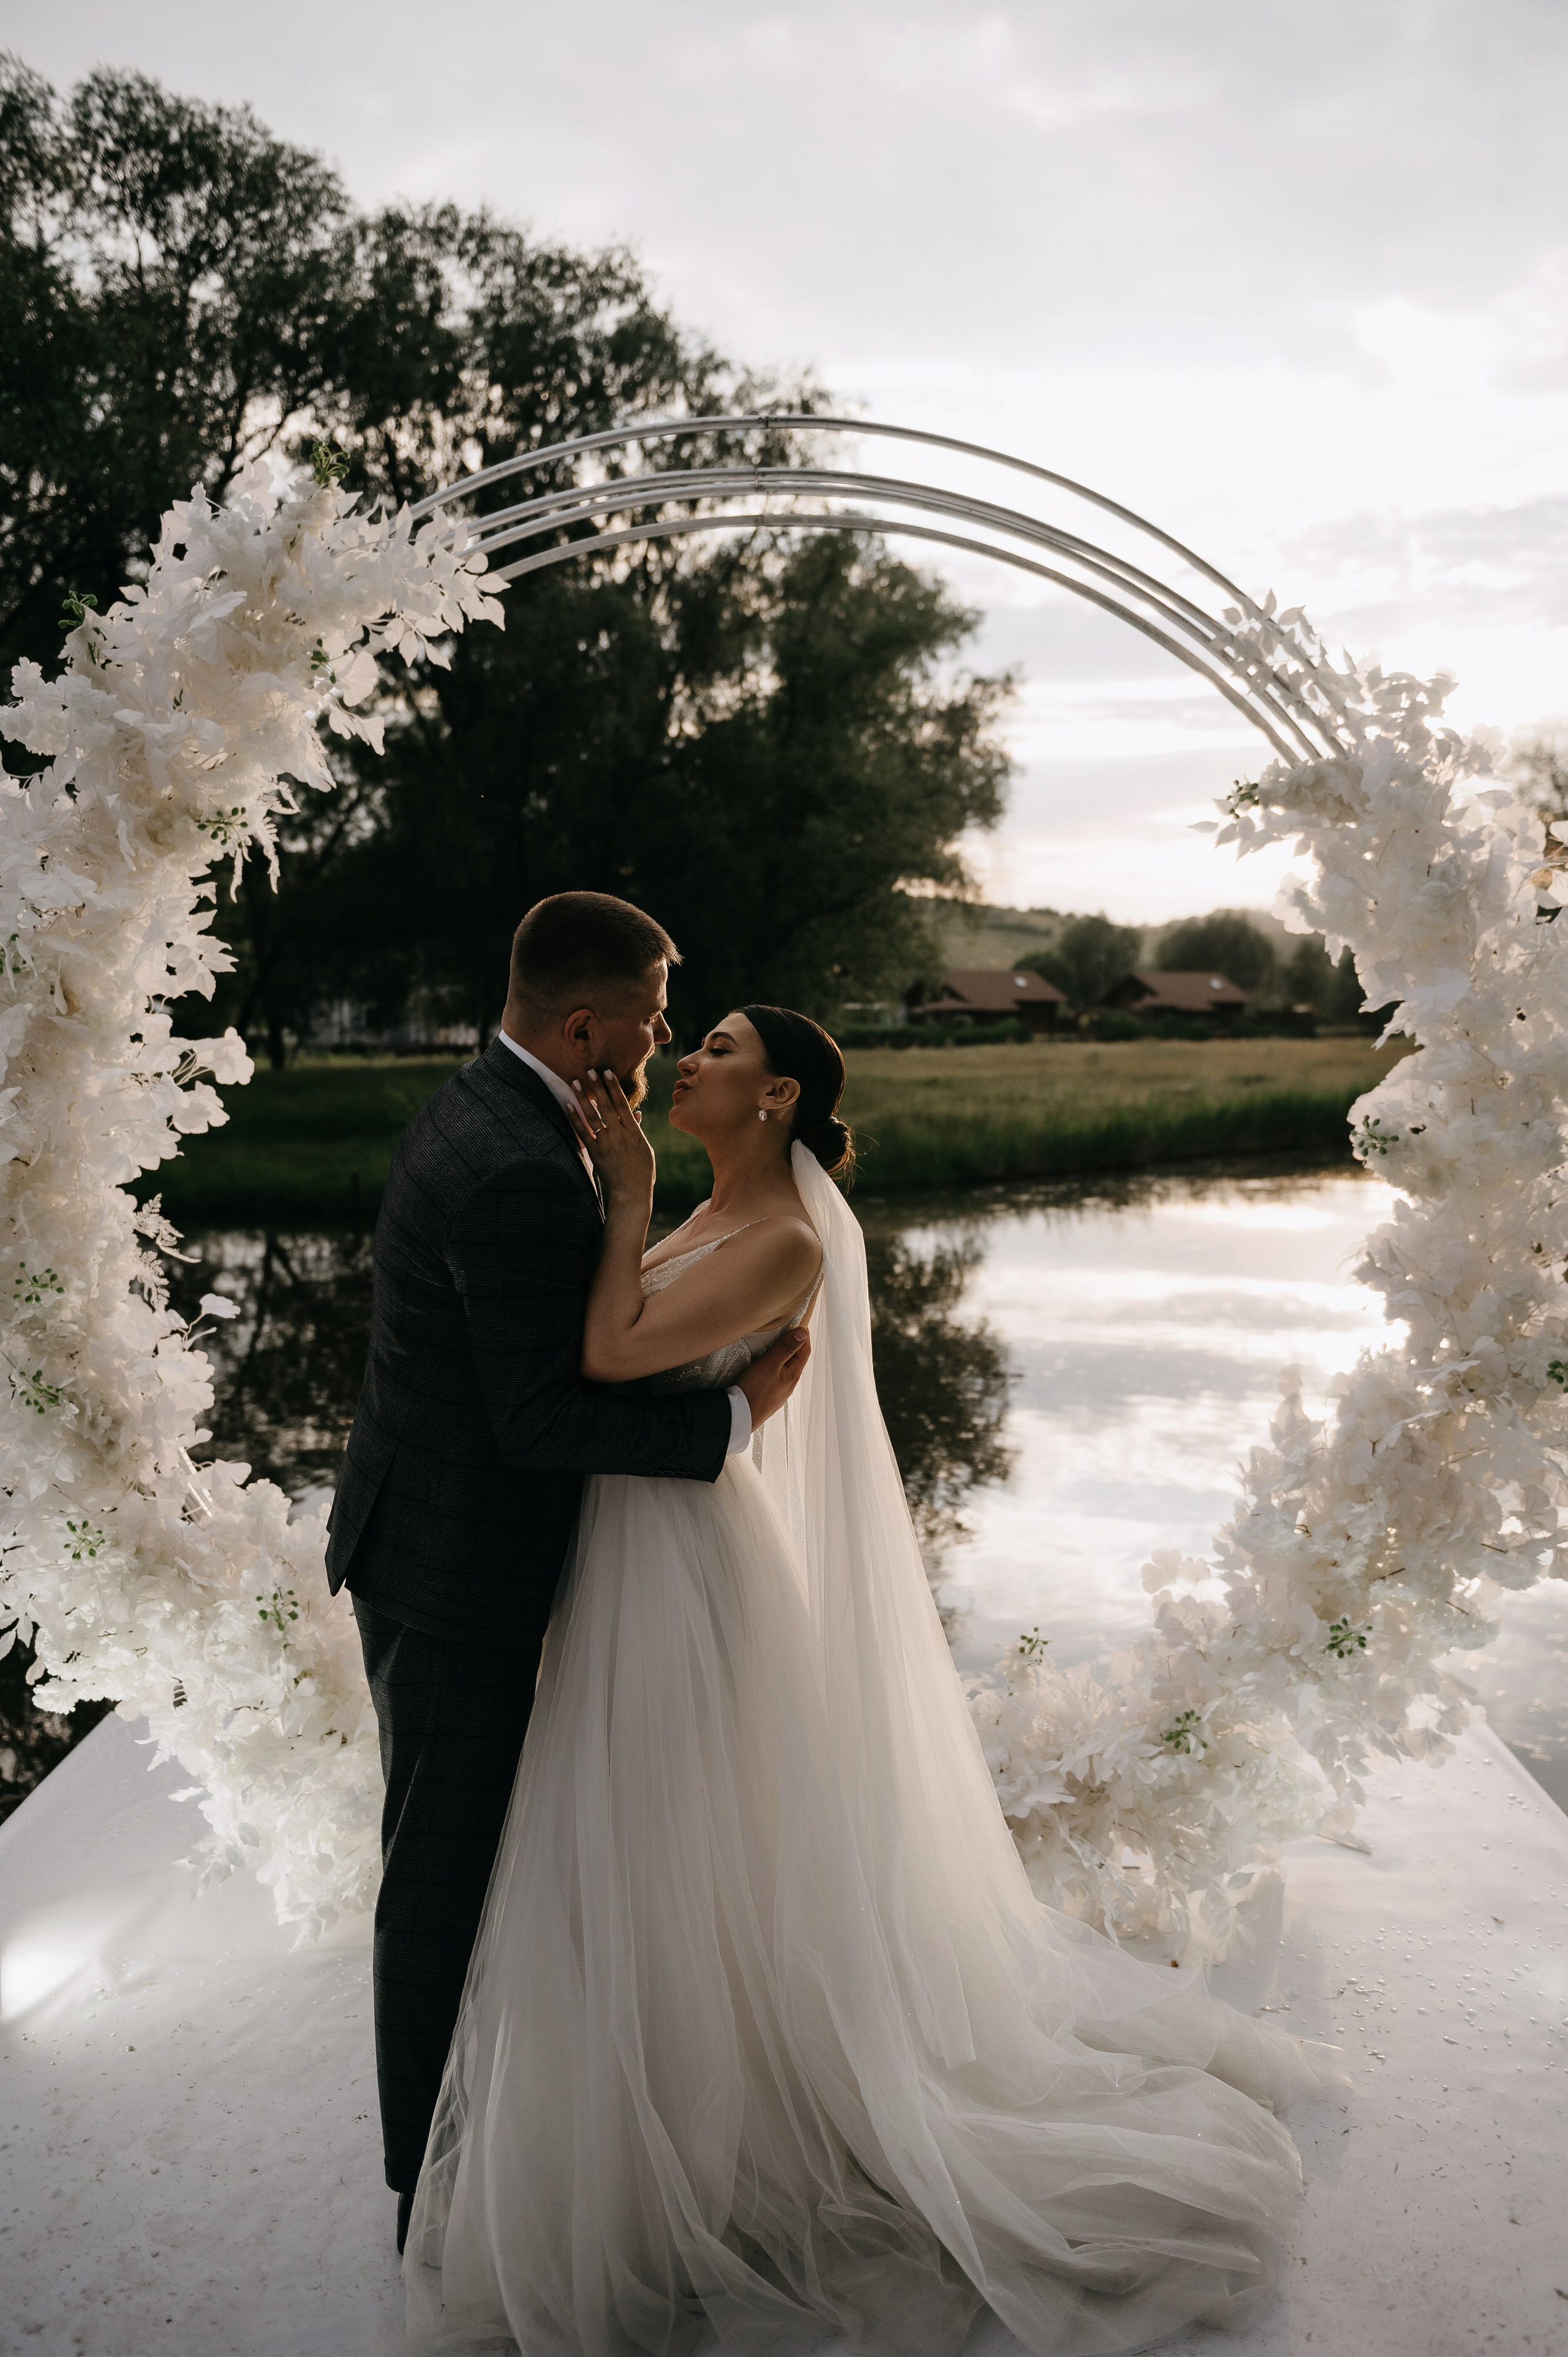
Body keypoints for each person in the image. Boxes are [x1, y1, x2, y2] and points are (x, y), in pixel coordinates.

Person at [402, 1002, 1338, 2356]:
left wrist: (631, 1195)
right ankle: (641, 2117)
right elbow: (615, 1362)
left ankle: (726, 2137)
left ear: (776, 1094)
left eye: (717, 1049)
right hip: (634, 1547)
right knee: (641, 1847)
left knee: (664, 1837)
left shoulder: (779, 1235)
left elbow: (608, 1354)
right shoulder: (723, 1212)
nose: (690, 1061)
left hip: (685, 1569)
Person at [325, 896, 810, 2254]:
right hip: (455, 1569)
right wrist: (730, 1422)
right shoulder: (522, 1168)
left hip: (429, 1534)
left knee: (492, 1854)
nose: (668, 1032)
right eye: (660, 1011)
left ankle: (503, 2127)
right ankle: (426, 2190)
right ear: (586, 1022)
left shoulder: (508, 1111)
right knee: (437, 1872)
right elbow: (541, 1417)